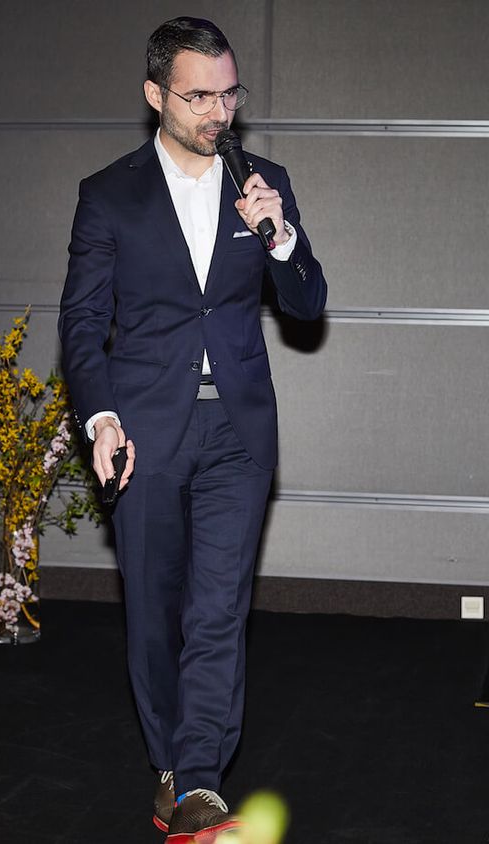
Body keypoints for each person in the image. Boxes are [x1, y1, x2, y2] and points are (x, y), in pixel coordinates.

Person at [58, 16, 327, 843]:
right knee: (154, 610)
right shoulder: (110, 194)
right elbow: (82, 323)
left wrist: (280, 236)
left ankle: (200, 777)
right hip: (144, 432)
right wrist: (101, 418)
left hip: (238, 432)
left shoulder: (264, 182)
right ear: (156, 95)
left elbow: (308, 303)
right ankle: (169, 763)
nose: (219, 111)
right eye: (199, 96)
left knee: (218, 609)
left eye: (229, 94)